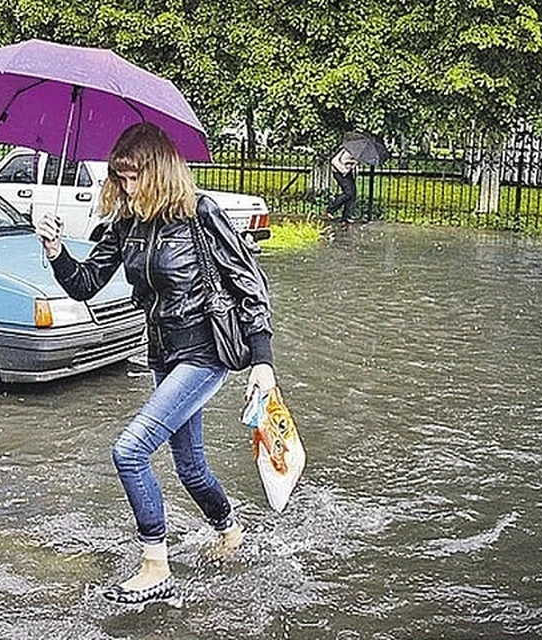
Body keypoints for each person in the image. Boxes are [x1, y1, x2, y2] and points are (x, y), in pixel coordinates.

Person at [36, 123, 277, 608]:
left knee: (129, 450)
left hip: (206, 352)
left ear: (159, 171)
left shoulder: (201, 215)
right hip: (163, 355)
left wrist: (263, 361)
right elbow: (85, 284)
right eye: (119, 177)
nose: (125, 186)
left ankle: (155, 564)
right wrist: (56, 251)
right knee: (190, 466)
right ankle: (231, 531)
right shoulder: (127, 224)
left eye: (133, 176)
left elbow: (250, 286)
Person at [325, 146, 359, 223]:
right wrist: (344, 169)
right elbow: (335, 161)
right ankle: (330, 210)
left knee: (352, 193)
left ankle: (346, 216)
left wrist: (354, 164)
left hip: (347, 173)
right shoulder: (348, 151)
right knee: (348, 192)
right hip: (339, 173)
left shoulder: (355, 152)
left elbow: (351, 164)